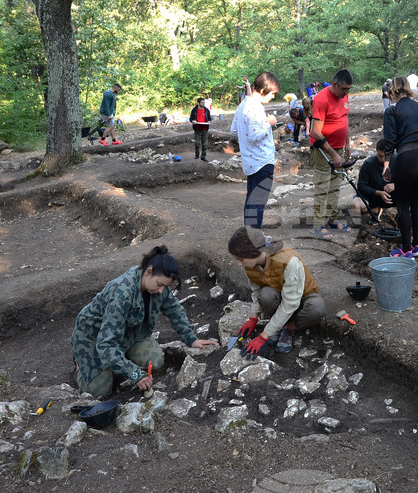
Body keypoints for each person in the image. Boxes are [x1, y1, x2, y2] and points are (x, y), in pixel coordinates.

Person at [70, 246, 218, 398]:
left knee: (156, 361)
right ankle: (80, 365)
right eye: (160, 285)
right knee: (100, 391)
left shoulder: (157, 283)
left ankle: (118, 361)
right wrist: (135, 374)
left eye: (165, 286)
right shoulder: (122, 294)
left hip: (127, 332)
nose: (162, 290)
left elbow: (174, 309)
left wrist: (191, 339)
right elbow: (105, 344)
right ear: (148, 271)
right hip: (93, 339)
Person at [228, 227, 325, 357]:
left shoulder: (288, 261)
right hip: (279, 293)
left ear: (254, 252)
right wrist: (253, 317)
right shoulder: (251, 264)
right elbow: (256, 291)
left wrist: (263, 336)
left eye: (241, 259)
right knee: (265, 295)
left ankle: (289, 328)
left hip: (302, 296)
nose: (239, 264)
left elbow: (290, 303)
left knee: (316, 308)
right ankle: (279, 324)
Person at [383, 75, 418, 258]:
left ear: (392, 92)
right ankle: (417, 246)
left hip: (408, 158)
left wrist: (386, 164)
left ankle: (405, 249)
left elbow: (390, 141)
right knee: (417, 202)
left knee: (403, 204)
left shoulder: (392, 111)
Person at [233, 71, 281, 229]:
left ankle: (249, 237)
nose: (272, 97)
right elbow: (254, 136)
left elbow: (234, 129)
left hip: (251, 161)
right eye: (272, 93)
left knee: (251, 200)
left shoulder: (242, 105)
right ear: (263, 90)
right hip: (262, 161)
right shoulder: (254, 108)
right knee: (258, 203)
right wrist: (269, 123)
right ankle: (254, 243)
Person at [309, 69, 354, 239]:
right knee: (322, 187)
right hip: (322, 150)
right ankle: (319, 225)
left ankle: (332, 220)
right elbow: (316, 133)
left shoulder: (344, 95)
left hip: (339, 147)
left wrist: (347, 144)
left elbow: (344, 120)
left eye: (349, 89)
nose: (346, 93)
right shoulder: (321, 99)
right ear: (335, 84)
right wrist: (333, 155)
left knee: (335, 186)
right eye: (344, 89)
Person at [350, 138, 394, 219]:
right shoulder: (369, 163)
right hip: (374, 196)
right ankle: (375, 210)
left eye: (386, 156)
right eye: (380, 156)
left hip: (394, 196)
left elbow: (411, 181)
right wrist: (378, 193)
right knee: (355, 206)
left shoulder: (399, 160)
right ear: (376, 151)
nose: (383, 160)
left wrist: (396, 185)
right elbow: (361, 186)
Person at [189, 97, 212, 161]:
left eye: (204, 102)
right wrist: (193, 121)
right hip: (197, 128)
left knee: (205, 144)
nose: (203, 103)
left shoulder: (206, 110)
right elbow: (191, 119)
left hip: (205, 128)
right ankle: (197, 155)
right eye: (202, 102)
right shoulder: (194, 110)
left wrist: (209, 121)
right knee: (197, 143)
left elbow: (209, 118)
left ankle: (203, 157)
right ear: (198, 103)